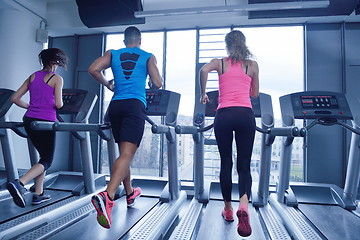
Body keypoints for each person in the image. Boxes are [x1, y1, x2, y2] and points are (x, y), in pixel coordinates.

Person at [88, 26, 163, 229]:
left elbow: (93, 69)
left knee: (123, 154)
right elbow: (158, 82)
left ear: (124, 41)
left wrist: (108, 84)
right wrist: (151, 82)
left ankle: (130, 193)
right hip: (134, 105)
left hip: (116, 105)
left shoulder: (113, 53)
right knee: (127, 155)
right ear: (139, 40)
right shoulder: (148, 56)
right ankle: (108, 195)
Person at [199, 30, 259, 237]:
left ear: (227, 46)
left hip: (223, 115)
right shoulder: (252, 65)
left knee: (226, 162)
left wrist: (204, 93)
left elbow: (203, 71)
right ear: (244, 44)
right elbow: (255, 94)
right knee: (244, 164)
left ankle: (228, 209)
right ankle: (243, 203)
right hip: (245, 115)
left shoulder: (220, 62)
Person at [7, 48, 68, 207]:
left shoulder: (33, 76)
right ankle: (20, 183)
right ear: (54, 62)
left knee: (43, 158)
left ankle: (38, 193)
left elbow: (14, 98)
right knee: (47, 160)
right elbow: (59, 104)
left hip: (29, 120)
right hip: (45, 122)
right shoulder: (57, 79)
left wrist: (30, 106)